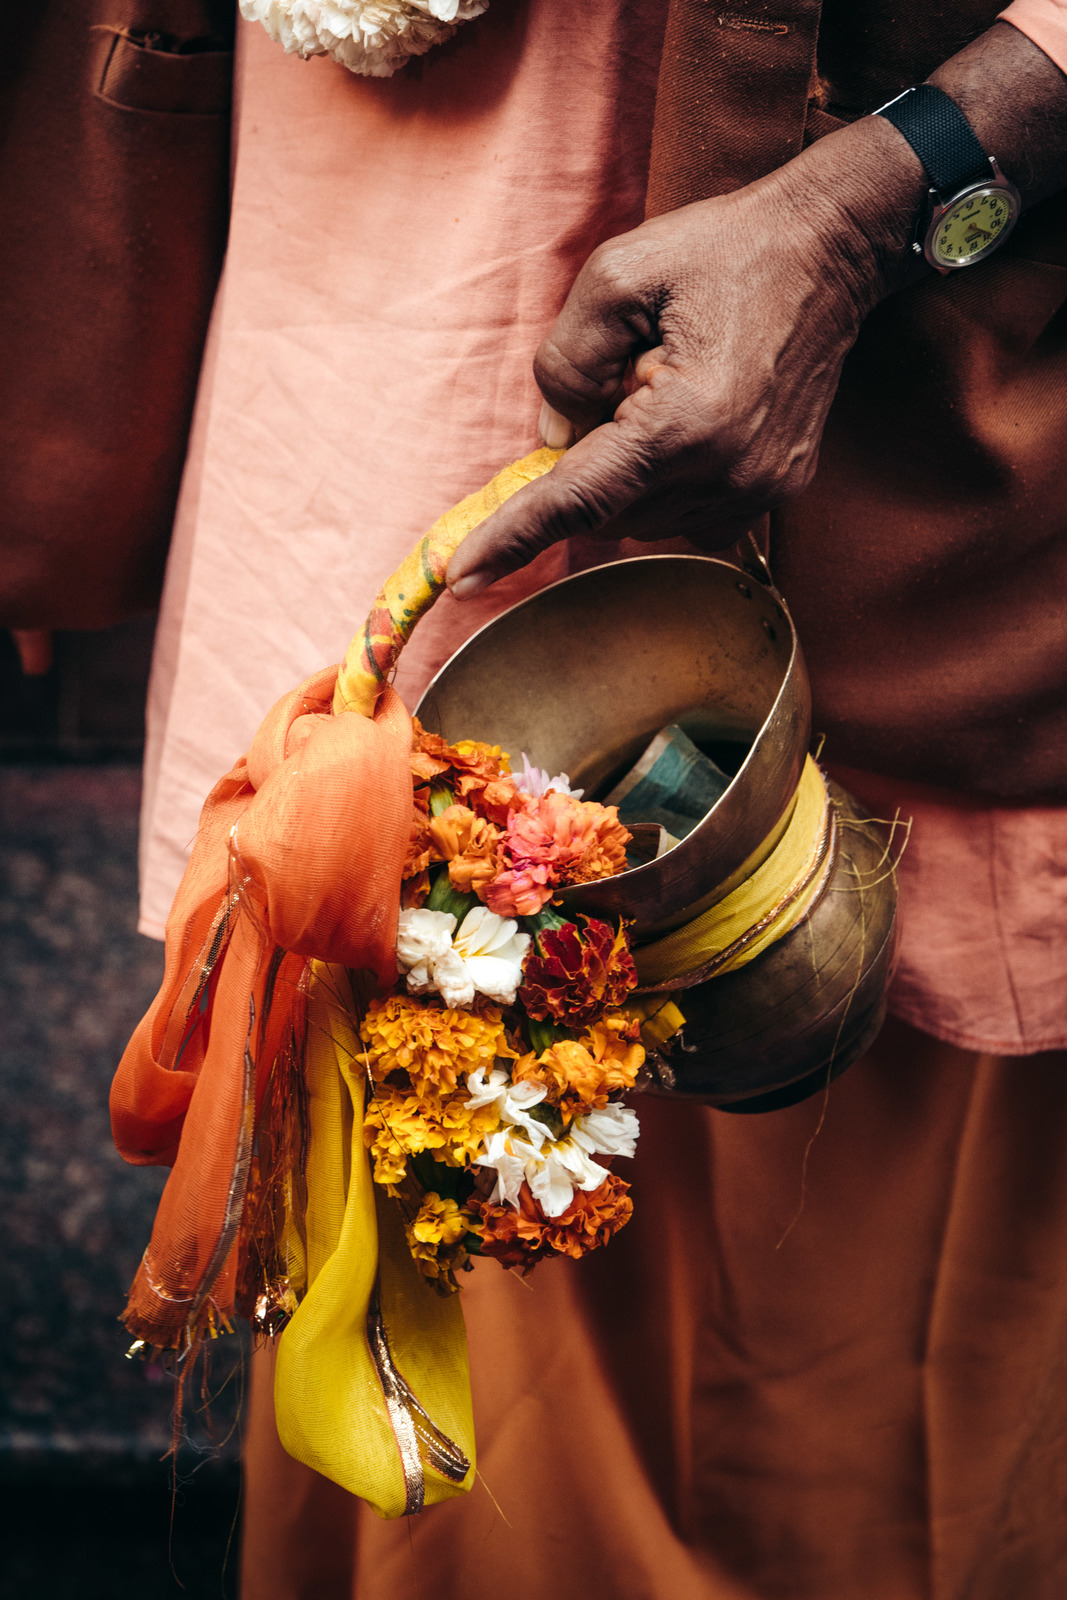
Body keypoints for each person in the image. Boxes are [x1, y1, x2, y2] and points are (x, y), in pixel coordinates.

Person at [133, 2, 1067, 1595]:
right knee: (453, 1422)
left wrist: (882, 195)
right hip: (391, 373)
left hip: (928, 461)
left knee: (908, 1431)